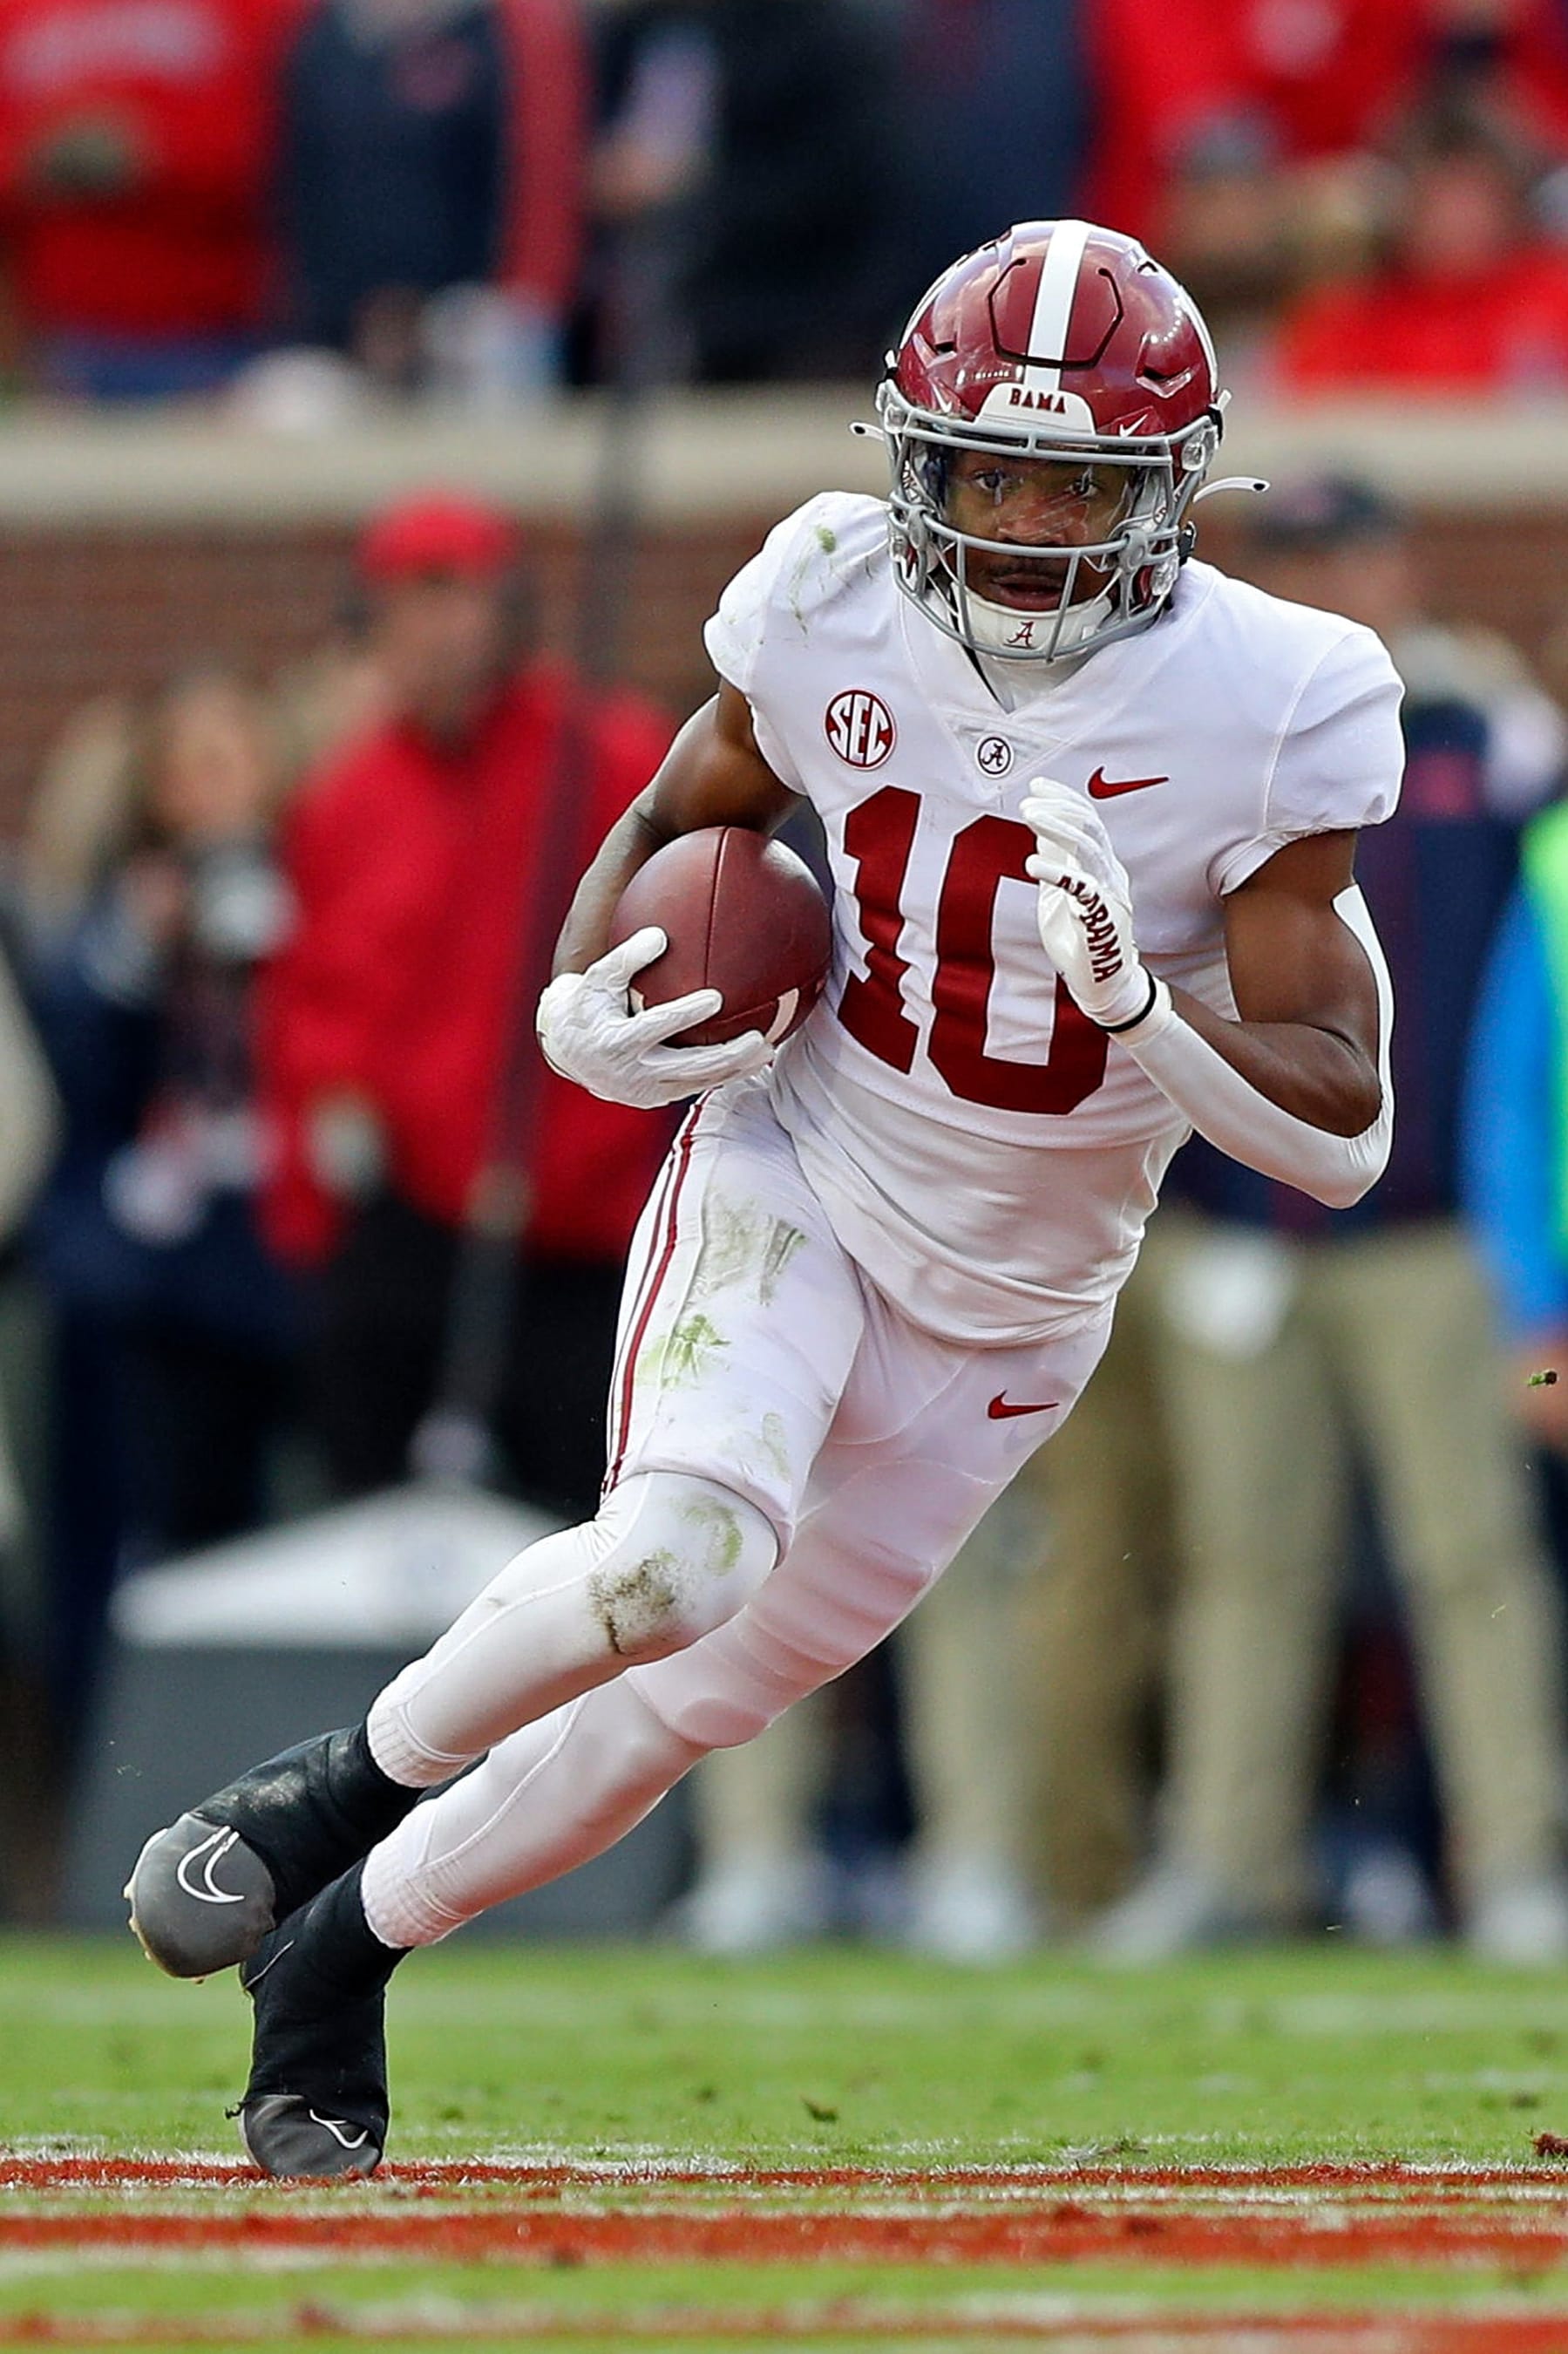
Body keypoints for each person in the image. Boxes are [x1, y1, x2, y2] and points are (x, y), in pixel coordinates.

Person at [126, 219, 1403, 2180]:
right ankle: (319, 1798)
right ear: (913, 460)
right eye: (984, 470)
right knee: (676, 1558)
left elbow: (1337, 1134)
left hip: (1018, 1303)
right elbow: (680, 818)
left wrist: (1139, 1008)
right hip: (802, 1159)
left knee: (677, 1708)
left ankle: (333, 1962)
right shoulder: (824, 588)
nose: (1024, 520)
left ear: (1165, 492)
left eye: (1074, 479)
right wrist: (580, 1004)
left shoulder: (1277, 695)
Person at [1096, 476, 1568, 1963]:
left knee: (1465, 1557)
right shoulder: (1208, 740)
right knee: (1243, 1565)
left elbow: (1513, 998)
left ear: (1395, 556)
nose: (1320, 580)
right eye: (1291, 558)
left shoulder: (1479, 742)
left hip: (1424, 1229)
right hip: (1243, 1218)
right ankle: (1229, 1856)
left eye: (1341, 551)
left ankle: (1514, 1861)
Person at [255, 490, 674, 1517]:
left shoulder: (610, 757)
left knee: (582, 1513)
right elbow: (314, 1000)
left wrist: (566, 1167)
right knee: (367, 1499)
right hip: (408, 1223)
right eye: (410, 603)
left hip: (574, 1225)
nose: (436, 631)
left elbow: (658, 966)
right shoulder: (346, 796)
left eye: (458, 599)